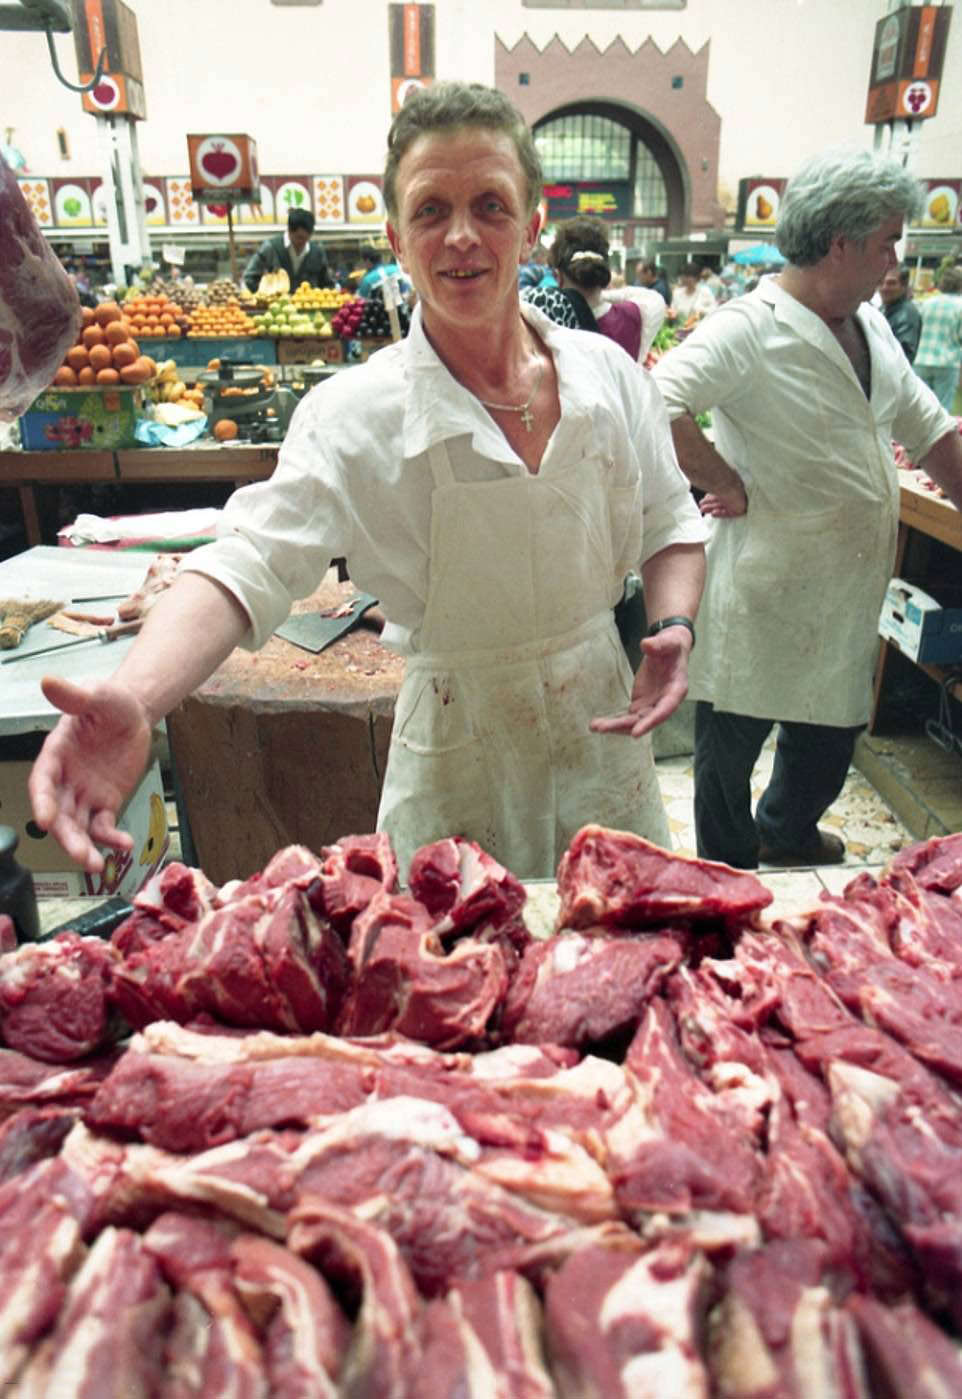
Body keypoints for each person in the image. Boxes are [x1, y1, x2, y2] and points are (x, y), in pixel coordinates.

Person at [29, 81, 706, 883]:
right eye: (430, 211)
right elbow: (244, 566)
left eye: (490, 205)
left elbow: (672, 522)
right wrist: (136, 696)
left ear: (530, 229)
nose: (461, 236)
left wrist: (673, 625)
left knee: (614, 958)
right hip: (458, 754)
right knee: (449, 968)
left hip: (603, 732)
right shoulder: (354, 414)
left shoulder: (607, 378)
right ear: (394, 236)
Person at [652, 146, 962, 870]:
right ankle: (728, 866)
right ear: (839, 242)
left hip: (846, 588)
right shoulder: (749, 327)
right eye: (886, 240)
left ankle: (787, 832)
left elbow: (930, 429)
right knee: (729, 749)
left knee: (826, 735)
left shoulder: (870, 325)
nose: (894, 257)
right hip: (764, 584)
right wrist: (721, 477)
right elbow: (656, 401)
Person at [521, 215, 666, 364]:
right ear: (603, 269)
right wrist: (603, 295)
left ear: (558, 276)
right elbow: (654, 298)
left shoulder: (545, 326)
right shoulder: (634, 317)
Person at [242, 208, 332, 294]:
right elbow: (249, 276)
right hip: (276, 307)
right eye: (299, 237)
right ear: (289, 230)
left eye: (307, 238)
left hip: (309, 307)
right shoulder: (271, 248)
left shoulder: (317, 252)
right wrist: (265, 294)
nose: (303, 242)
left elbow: (328, 283)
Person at [914, 265, 962, 411]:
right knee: (942, 408)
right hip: (947, 362)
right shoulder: (960, 306)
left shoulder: (926, 304)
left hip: (922, 359)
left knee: (920, 407)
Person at [878, 264, 922, 363]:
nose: (884, 288)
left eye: (891, 283)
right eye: (881, 282)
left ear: (904, 286)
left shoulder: (907, 314)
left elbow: (903, 354)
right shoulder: (883, 308)